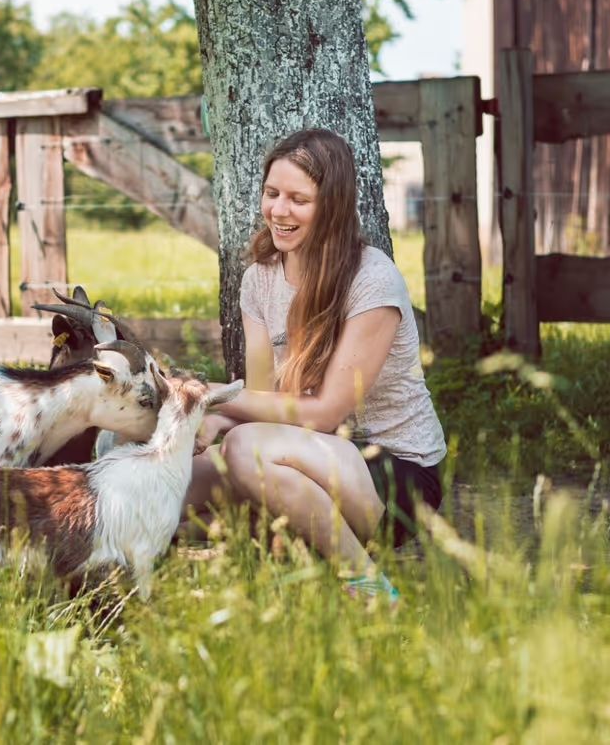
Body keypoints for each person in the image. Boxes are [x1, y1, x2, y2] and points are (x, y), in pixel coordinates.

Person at [187, 127, 446, 604]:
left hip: (393, 473)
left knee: (244, 448)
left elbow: (326, 413)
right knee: (171, 472)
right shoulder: (259, 278)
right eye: (272, 193)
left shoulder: (372, 281)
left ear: (331, 205)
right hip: (305, 454)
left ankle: (367, 586)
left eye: (298, 200)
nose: (279, 211)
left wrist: (210, 396)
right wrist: (208, 421)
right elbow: (263, 399)